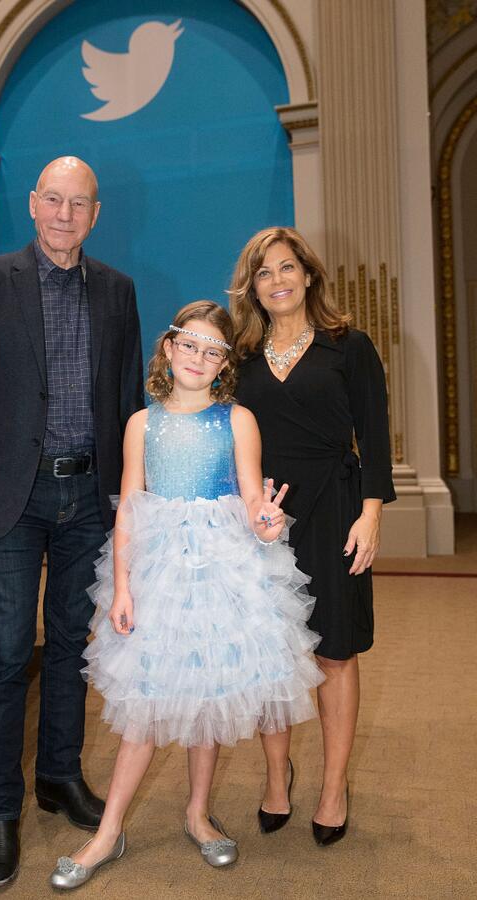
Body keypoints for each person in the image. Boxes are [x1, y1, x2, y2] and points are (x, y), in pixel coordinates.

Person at [48, 300, 323, 890]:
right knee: (145, 705)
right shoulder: (141, 424)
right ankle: (108, 831)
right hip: (160, 570)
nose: (199, 357)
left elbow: (253, 498)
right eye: (189, 344)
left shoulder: (237, 419)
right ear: (169, 349)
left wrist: (268, 522)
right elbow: (128, 509)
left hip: (224, 565)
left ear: (224, 363)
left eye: (212, 351)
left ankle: (198, 813)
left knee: (209, 695)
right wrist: (121, 587)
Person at [0, 156, 144, 888]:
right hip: (11, 499)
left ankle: (59, 776)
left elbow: (126, 401)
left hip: (88, 500)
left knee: (69, 647)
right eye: (53, 200)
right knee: (3, 653)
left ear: (96, 213)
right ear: (32, 205)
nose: (64, 214)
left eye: (78, 203)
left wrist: (130, 493)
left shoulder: (118, 293)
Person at [229, 227, 395, 846]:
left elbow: (374, 436)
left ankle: (332, 787)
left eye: (287, 268)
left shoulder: (348, 346)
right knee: (273, 656)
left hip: (335, 509)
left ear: (308, 275)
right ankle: (277, 778)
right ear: (252, 287)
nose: (278, 280)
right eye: (264, 272)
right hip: (263, 518)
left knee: (334, 652)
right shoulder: (240, 357)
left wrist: (372, 511)